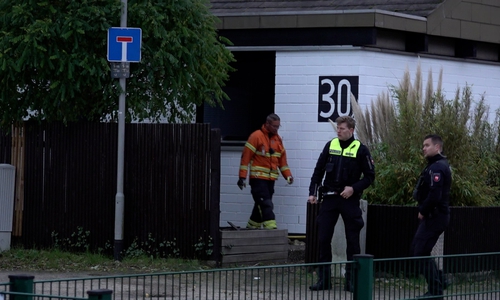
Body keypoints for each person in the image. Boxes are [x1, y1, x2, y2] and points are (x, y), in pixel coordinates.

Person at [307, 115, 375, 291]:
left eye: (342, 128)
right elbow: (318, 170)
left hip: (349, 199)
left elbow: (369, 177)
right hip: (329, 198)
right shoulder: (331, 145)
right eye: (337, 128)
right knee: (323, 238)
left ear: (351, 130)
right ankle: (324, 279)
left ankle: (351, 281)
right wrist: (312, 193)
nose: (338, 131)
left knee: (352, 241)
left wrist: (353, 188)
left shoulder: (361, 149)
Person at [412, 134, 451, 300]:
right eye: (423, 145)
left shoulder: (437, 167)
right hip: (433, 215)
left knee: (420, 251)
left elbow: (435, 194)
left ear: (437, 147)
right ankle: (439, 283)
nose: (424, 148)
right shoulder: (434, 165)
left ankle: (436, 290)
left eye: (427, 145)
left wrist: (423, 210)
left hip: (435, 216)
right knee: (420, 250)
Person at [237, 113, 294, 229]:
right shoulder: (256, 136)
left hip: (270, 180)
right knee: (266, 204)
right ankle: (272, 229)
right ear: (267, 124)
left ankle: (251, 228)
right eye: (274, 126)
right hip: (258, 179)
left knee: (260, 205)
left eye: (278, 126)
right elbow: (245, 157)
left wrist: (288, 176)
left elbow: (282, 162)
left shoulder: (277, 140)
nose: (276, 129)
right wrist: (242, 177)